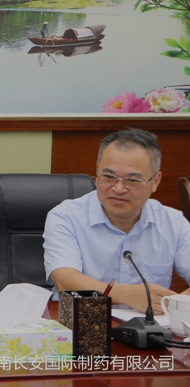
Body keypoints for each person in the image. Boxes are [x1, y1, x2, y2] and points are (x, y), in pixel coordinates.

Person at [44, 128, 190, 313]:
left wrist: (180, 304)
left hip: (150, 328)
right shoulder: (66, 217)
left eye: (132, 180)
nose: (119, 189)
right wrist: (125, 295)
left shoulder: (173, 223)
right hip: (81, 323)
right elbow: (64, 281)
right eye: (109, 177)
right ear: (97, 174)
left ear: (155, 181)